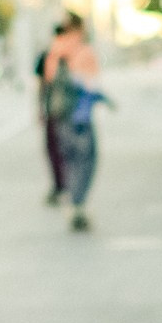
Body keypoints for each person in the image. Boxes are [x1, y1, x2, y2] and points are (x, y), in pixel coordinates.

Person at [43, 13, 102, 232]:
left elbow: (48, 80)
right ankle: (78, 204)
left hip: (60, 115)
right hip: (80, 117)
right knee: (86, 159)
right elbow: (91, 84)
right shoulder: (83, 50)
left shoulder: (55, 49)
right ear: (79, 28)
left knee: (68, 160)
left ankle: (72, 201)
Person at [35, 25, 67, 205]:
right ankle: (62, 185)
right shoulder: (73, 53)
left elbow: (41, 85)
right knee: (61, 150)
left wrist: (40, 108)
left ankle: (60, 186)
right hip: (66, 112)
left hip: (54, 111)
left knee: (55, 150)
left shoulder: (49, 55)